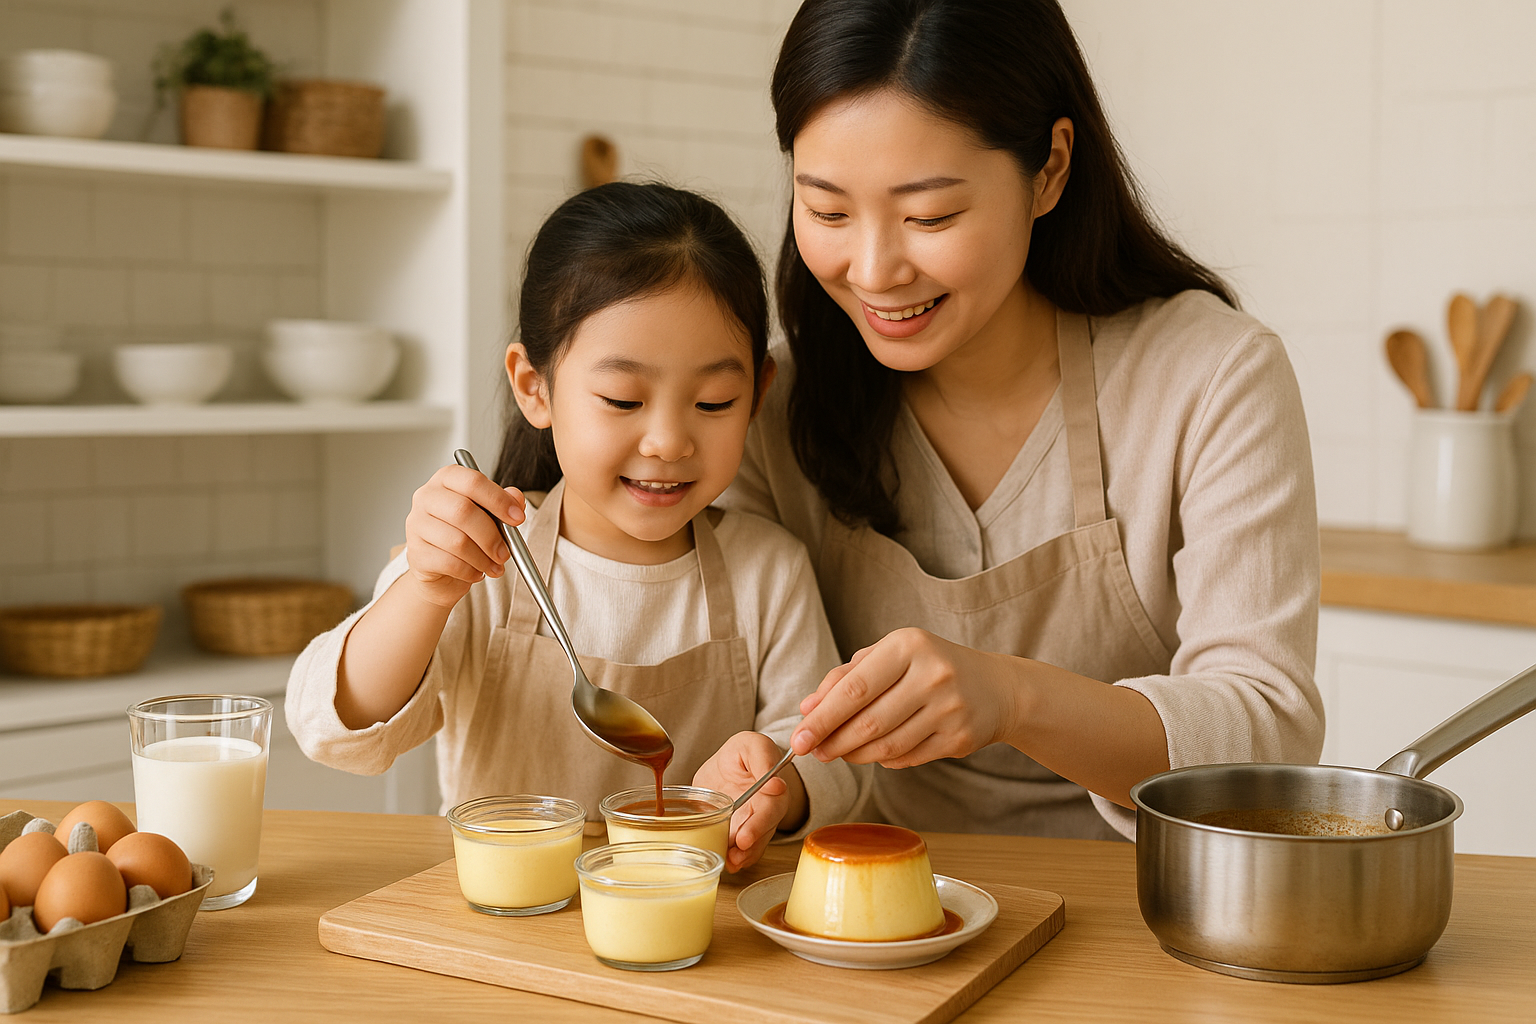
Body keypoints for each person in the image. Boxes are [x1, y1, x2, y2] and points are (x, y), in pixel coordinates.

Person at [721, 0, 1324, 839]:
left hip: (1149, 914)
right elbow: (712, 667)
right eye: (826, 211)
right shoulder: (765, 404)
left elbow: (1270, 723)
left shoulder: (1210, 374)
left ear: (1049, 168)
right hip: (864, 909)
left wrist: (1012, 698)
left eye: (929, 216)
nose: (873, 268)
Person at [286, 182, 863, 870]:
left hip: (694, 935)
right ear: (535, 387)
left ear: (758, 394)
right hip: (506, 926)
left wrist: (781, 780)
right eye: (623, 398)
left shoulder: (768, 569)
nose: (669, 441)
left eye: (714, 402)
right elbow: (334, 729)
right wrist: (425, 589)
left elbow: (839, 768)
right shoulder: (482, 557)